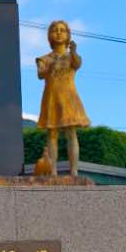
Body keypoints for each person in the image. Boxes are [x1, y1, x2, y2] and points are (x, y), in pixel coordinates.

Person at [36, 20, 91, 177]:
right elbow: (40, 74)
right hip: (52, 98)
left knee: (71, 132)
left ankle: (74, 171)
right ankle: (53, 172)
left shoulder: (72, 57)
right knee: (52, 133)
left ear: (68, 35)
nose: (59, 33)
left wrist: (73, 51)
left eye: (62, 30)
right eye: (55, 30)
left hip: (69, 98)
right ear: (49, 36)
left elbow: (77, 64)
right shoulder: (44, 59)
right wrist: (50, 67)